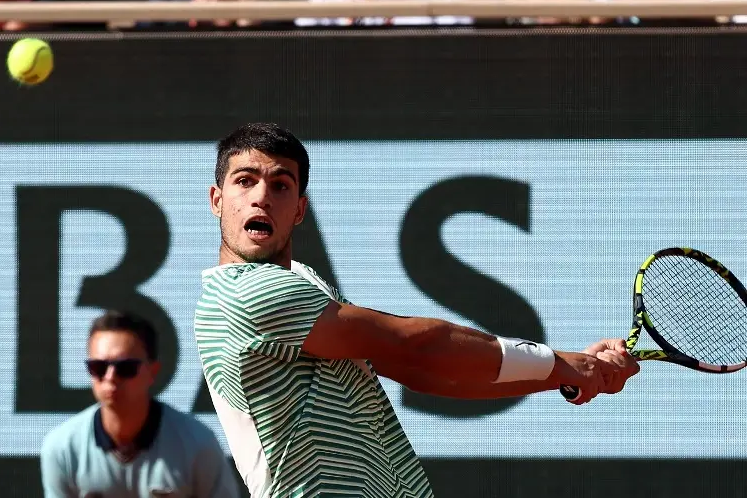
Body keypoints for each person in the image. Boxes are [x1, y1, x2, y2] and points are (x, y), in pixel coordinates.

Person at [193, 123, 640, 497]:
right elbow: (418, 345)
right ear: (217, 200)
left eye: (281, 184)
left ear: (299, 211)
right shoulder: (243, 294)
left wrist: (561, 375)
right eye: (245, 180)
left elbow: (426, 372)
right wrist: (561, 362)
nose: (261, 196)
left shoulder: (304, 281)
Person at [40, 310, 240, 498]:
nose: (110, 377)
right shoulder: (62, 447)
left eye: (126, 367)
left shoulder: (198, 443)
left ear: (153, 371)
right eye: (98, 367)